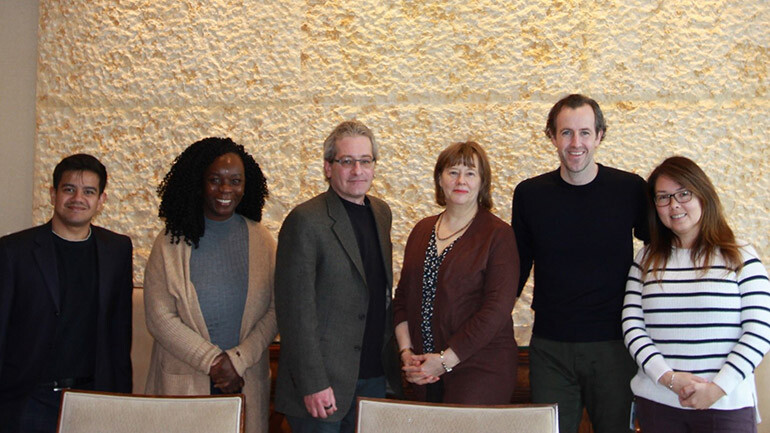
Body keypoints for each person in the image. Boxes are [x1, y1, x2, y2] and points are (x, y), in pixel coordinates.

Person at [511, 94, 649, 433]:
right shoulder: (530, 194)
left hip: (615, 346)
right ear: (552, 136)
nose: (576, 143)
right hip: (550, 348)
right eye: (566, 133)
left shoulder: (629, 189)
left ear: (600, 135)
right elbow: (517, 266)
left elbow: (660, 249)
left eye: (585, 133)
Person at [622, 156, 770, 433]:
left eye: (684, 194)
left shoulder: (741, 256)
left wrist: (717, 388)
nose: (674, 205)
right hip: (658, 403)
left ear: (703, 194)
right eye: (663, 197)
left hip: (726, 406)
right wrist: (668, 378)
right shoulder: (645, 260)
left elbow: (760, 330)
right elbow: (633, 327)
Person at [143, 137, 277, 433]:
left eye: (235, 181)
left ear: (246, 184)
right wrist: (215, 362)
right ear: (198, 183)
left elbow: (275, 311)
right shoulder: (169, 243)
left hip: (244, 381)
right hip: (183, 381)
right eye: (215, 180)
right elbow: (159, 317)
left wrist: (237, 362)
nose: (226, 190)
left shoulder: (263, 241)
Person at [274, 120, 400, 433]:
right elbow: (295, 312)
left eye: (365, 161)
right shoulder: (305, 220)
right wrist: (312, 383)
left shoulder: (382, 213)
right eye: (347, 161)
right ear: (329, 167)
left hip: (372, 377)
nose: (358, 170)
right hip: (322, 387)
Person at [0, 154, 133, 433]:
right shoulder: (14, 251)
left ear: (101, 201)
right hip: (29, 399)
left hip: (92, 398)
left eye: (89, 191)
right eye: (69, 189)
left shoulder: (117, 250)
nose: (78, 198)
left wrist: (122, 401)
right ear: (53, 194)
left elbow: (120, 333)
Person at [393, 141, 519, 404]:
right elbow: (402, 299)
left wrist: (445, 361)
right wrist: (407, 354)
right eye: (453, 172)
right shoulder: (421, 230)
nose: (461, 180)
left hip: (480, 369)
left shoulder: (498, 235)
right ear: (440, 179)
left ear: (482, 182)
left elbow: (496, 310)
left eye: (471, 173)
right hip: (423, 371)